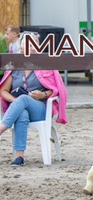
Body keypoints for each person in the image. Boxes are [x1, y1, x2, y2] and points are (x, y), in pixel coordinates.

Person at [0, 32, 67, 166]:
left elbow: (57, 89)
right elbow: (3, 91)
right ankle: (19, 157)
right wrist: (16, 103)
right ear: (21, 47)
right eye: (29, 45)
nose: (33, 47)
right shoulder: (15, 68)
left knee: (23, 99)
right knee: (22, 112)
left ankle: (1, 128)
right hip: (20, 107)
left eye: (35, 44)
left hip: (40, 109)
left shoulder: (46, 64)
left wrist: (43, 95)